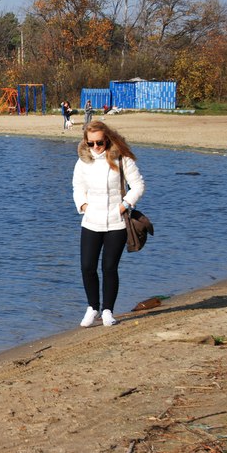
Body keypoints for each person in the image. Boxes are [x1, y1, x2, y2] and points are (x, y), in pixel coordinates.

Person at [72, 121, 145, 327]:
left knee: (109, 267)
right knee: (87, 267)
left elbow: (138, 185)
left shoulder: (122, 158)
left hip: (117, 222)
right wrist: (84, 206)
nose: (96, 147)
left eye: (100, 142)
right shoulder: (82, 161)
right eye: (91, 143)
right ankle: (92, 308)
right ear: (86, 142)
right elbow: (77, 186)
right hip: (91, 221)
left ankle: (107, 311)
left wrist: (124, 205)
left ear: (108, 138)